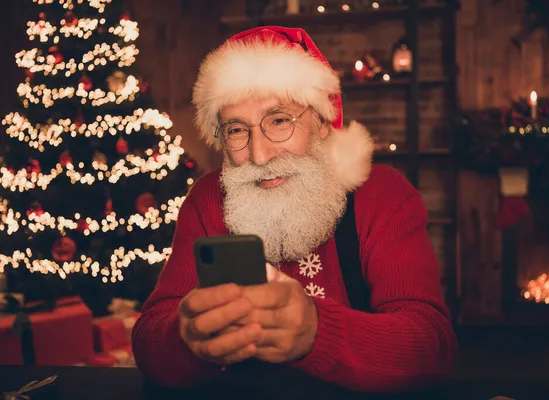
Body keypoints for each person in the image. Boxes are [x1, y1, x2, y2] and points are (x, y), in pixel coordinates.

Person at [132, 26, 457, 394]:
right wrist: (185, 337)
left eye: (280, 121)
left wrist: (317, 333)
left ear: (320, 122)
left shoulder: (381, 195)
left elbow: (430, 346)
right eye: (237, 130)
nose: (259, 155)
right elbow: (148, 341)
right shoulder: (207, 200)